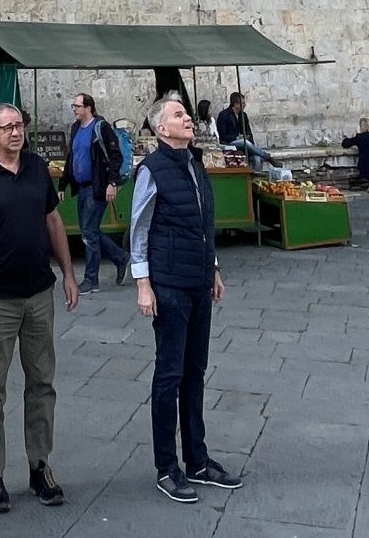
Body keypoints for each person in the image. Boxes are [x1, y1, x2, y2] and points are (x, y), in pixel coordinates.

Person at [0, 103, 79, 514]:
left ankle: (39, 464)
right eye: (7, 127)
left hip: (38, 294)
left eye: (19, 126)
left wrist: (67, 272)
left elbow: (53, 222)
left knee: (42, 382)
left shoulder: (36, 169)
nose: (16, 133)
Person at [131, 93, 242, 501]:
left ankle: (197, 459)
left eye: (187, 114)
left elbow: (204, 223)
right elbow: (139, 229)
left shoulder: (195, 165)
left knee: (195, 372)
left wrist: (212, 267)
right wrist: (143, 283)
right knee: (169, 375)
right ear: (162, 128)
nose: (188, 119)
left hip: (197, 281)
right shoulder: (152, 169)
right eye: (178, 115)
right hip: (170, 285)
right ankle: (167, 467)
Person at [67, 92, 121, 291]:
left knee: (89, 233)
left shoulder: (101, 128)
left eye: (77, 106)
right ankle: (120, 257)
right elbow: (71, 157)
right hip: (81, 188)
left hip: (96, 187)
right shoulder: (75, 128)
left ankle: (91, 280)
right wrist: (64, 184)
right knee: (89, 231)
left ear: (88, 108)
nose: (74, 109)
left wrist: (112, 183)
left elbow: (115, 156)